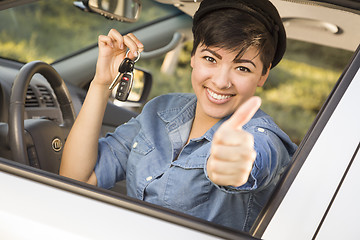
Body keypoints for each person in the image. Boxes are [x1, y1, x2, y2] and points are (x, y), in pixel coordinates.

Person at [60, 0, 297, 232]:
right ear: (193, 57)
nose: (221, 81)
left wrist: (234, 167)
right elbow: (76, 178)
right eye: (210, 59)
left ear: (264, 75)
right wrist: (101, 83)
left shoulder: (264, 137)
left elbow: (256, 160)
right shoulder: (160, 110)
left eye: (242, 68)